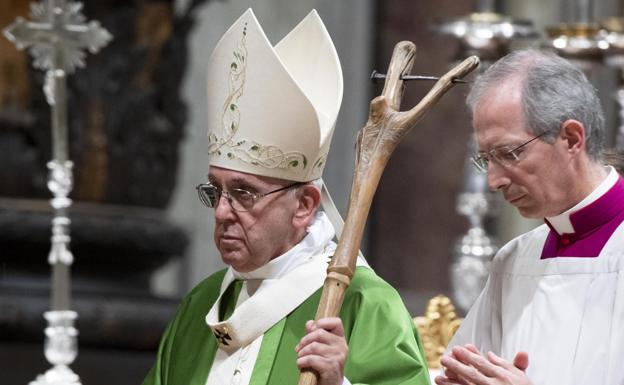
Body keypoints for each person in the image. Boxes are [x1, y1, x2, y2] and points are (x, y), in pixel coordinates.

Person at [142, 9, 430, 385]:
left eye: (244, 193)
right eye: (217, 190)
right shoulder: (202, 303)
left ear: (305, 205)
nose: (222, 212)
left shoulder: (364, 302)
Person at [435, 49, 624, 385]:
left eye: (509, 153)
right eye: (486, 159)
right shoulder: (514, 261)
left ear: (571, 139)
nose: (494, 181)